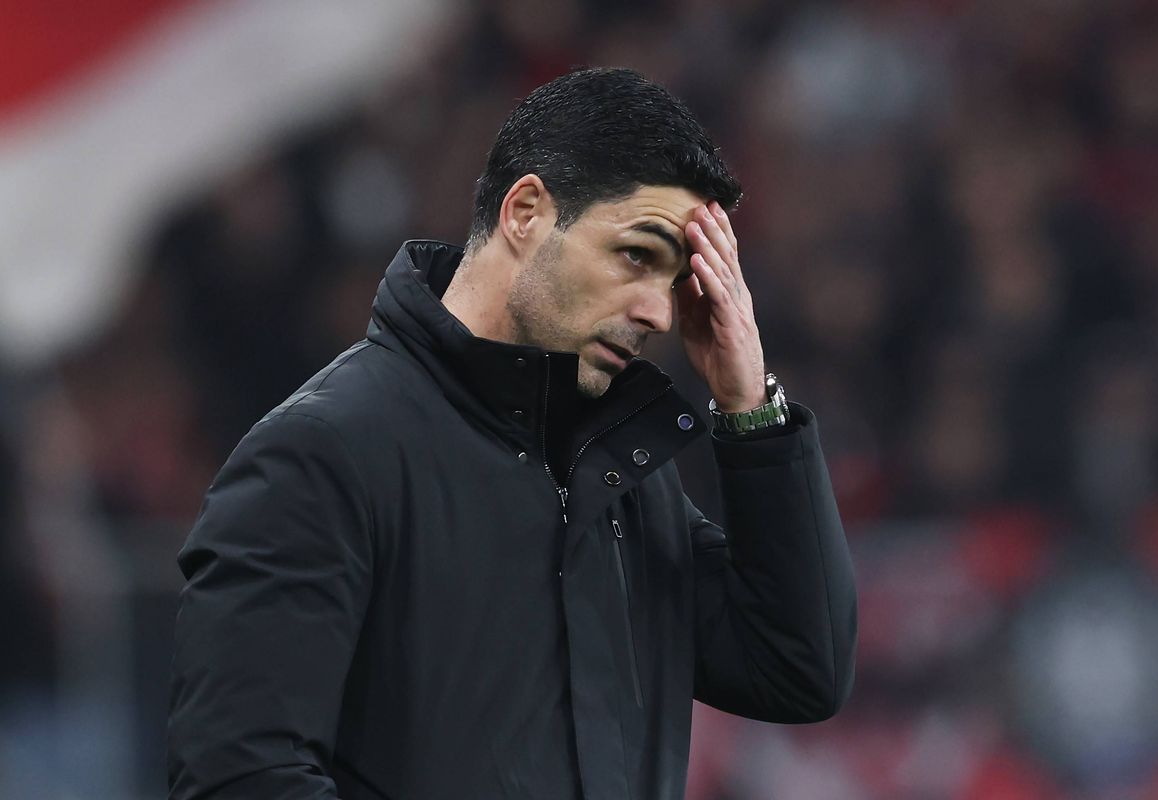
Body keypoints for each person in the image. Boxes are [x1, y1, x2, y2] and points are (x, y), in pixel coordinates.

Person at [167, 67, 857, 800]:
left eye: (678, 280)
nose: (659, 312)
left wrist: (751, 407)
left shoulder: (623, 477)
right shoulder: (320, 455)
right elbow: (239, 780)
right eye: (636, 256)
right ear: (525, 212)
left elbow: (796, 668)